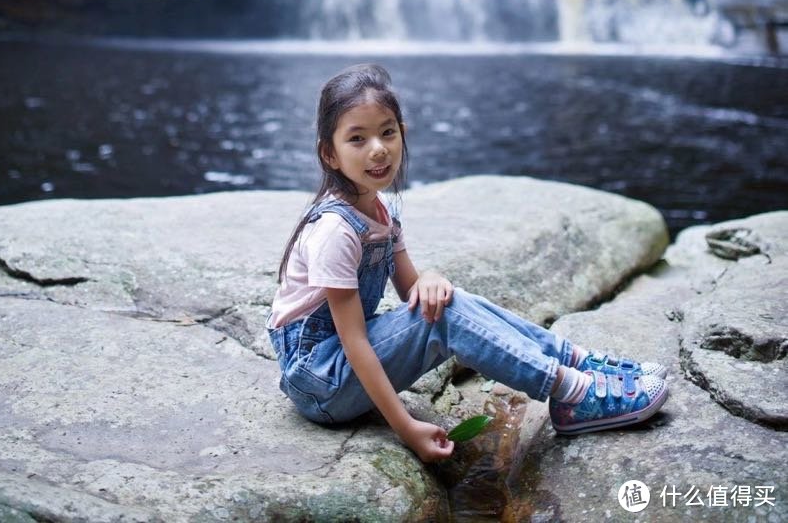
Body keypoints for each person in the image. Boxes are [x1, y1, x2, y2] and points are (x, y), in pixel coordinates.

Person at [267, 63, 669, 463]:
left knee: (447, 301)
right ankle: (574, 394)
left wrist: (433, 278)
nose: (378, 148)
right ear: (329, 153)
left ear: (402, 135)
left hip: (335, 366)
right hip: (320, 383)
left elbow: (414, 293)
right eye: (357, 138)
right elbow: (354, 341)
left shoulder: (382, 210)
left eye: (387, 132)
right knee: (446, 315)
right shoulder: (336, 231)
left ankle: (578, 364)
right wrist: (406, 427)